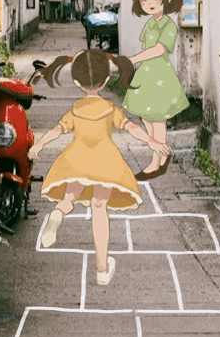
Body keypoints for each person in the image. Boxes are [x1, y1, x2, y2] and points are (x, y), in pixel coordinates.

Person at [28, 48, 169, 286]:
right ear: (105, 81)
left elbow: (56, 131)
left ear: (76, 82)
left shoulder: (75, 109)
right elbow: (131, 128)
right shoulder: (110, 109)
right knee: (99, 208)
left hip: (77, 160)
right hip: (104, 162)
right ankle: (102, 269)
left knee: (69, 196)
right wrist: (152, 142)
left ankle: (58, 214)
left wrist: (38, 144)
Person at [123, 0, 189, 181]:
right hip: (146, 75)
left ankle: (155, 161)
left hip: (161, 74)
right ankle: (163, 152)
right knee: (146, 118)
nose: (149, 3)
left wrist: (133, 60)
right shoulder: (149, 23)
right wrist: (136, 66)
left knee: (158, 120)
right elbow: (144, 48)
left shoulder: (169, 25)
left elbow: (160, 49)